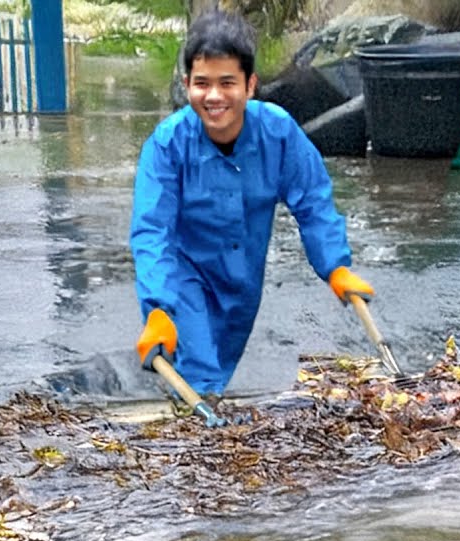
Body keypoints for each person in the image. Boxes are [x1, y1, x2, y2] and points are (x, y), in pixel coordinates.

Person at [131, 10, 372, 401]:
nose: (214, 96)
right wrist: (158, 307)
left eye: (227, 83)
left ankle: (193, 421)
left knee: (214, 375)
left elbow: (312, 201)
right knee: (201, 375)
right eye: (202, 83)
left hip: (243, 285)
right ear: (186, 83)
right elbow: (151, 230)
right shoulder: (167, 145)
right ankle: (195, 447)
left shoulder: (278, 133)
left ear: (250, 85)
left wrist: (335, 267)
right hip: (183, 276)